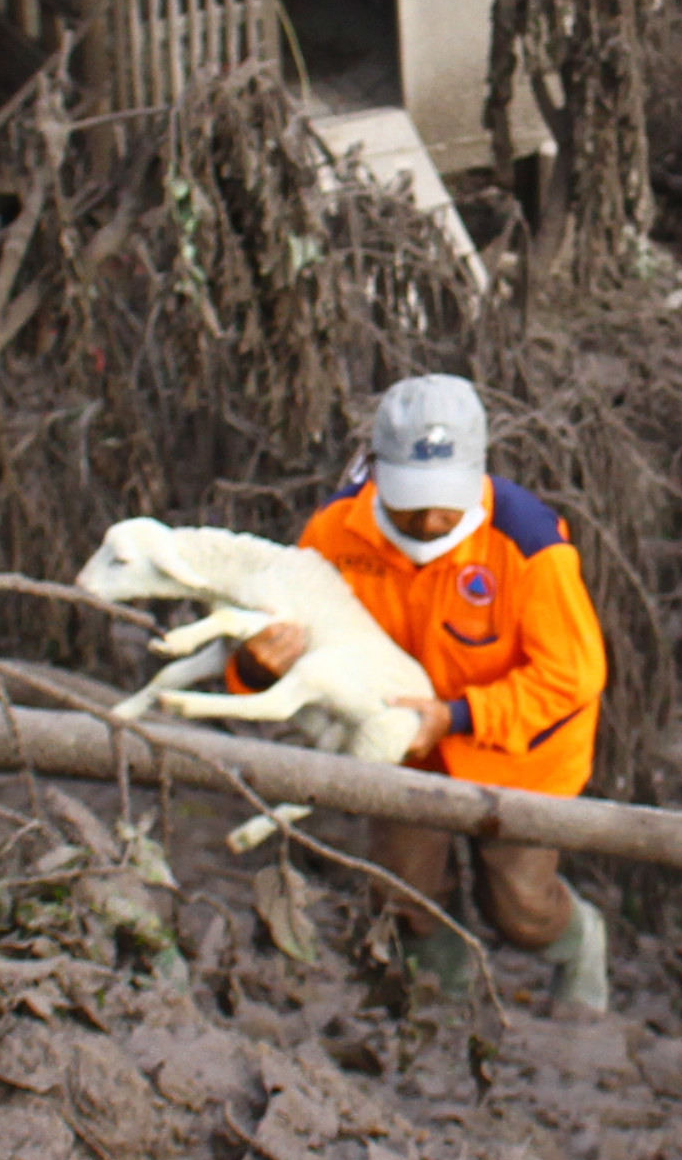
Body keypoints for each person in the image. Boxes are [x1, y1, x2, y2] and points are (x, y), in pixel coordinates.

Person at [244, 375, 612, 1008]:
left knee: (521, 906)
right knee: (406, 890)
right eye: (415, 497)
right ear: (377, 472)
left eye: (448, 498)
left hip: (522, 760)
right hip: (400, 753)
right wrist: (254, 670)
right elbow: (285, 639)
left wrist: (461, 716)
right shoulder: (335, 534)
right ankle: (441, 1005)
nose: (432, 517)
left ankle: (579, 943)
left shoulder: (527, 545)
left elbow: (574, 676)